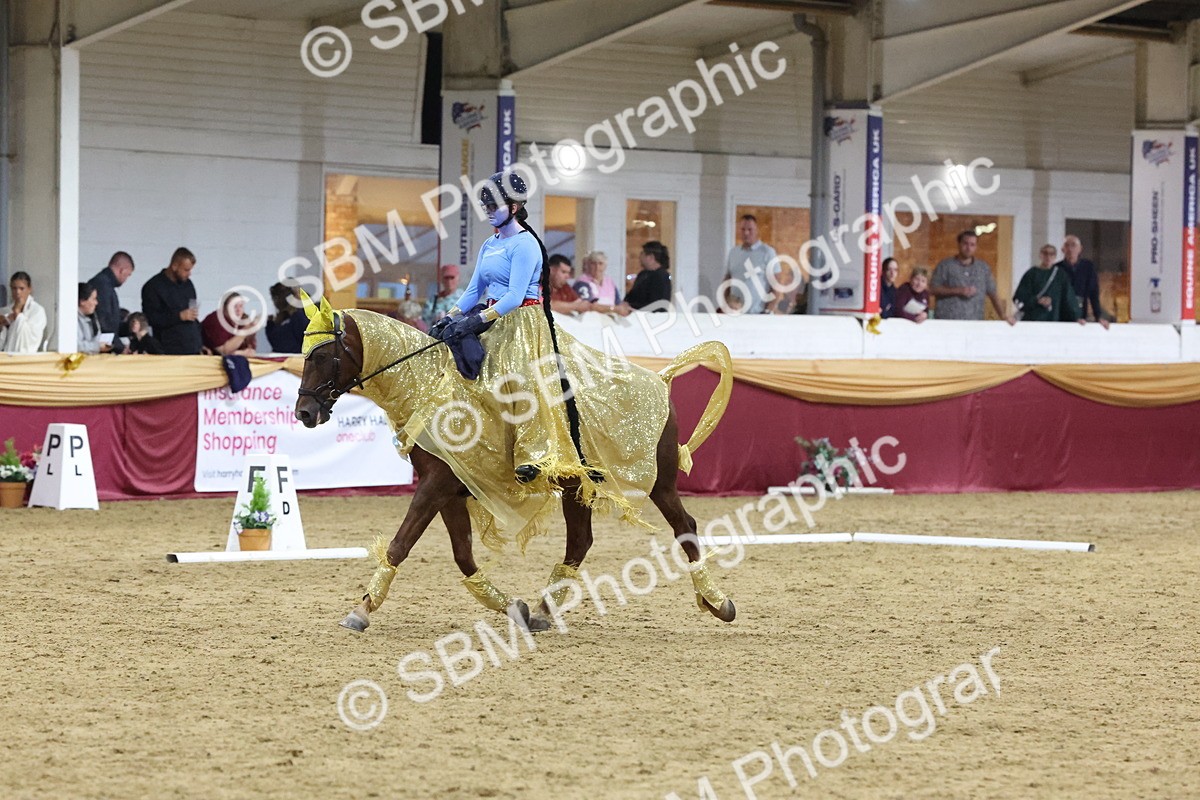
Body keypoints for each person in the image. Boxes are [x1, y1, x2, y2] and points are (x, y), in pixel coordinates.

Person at [430, 171, 599, 486]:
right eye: (486, 205)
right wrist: (450, 315)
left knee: (519, 380)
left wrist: (476, 320)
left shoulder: (525, 244)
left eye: (494, 204)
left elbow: (514, 296)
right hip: (492, 317)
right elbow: (473, 290)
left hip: (522, 321)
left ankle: (532, 455)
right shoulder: (489, 244)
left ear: (516, 204)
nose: (489, 210)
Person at [930, 231, 1015, 324]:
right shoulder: (945, 265)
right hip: (947, 322)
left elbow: (993, 294)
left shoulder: (983, 268)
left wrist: (1003, 315)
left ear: (976, 247)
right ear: (959, 244)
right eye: (965, 244)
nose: (968, 248)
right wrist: (958, 290)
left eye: (972, 245)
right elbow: (932, 289)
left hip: (975, 323)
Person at [142, 247, 202, 354]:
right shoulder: (153, 287)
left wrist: (201, 343)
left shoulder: (188, 285)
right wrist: (179, 316)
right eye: (186, 270)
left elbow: (193, 317)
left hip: (192, 346)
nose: (189, 274)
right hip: (169, 349)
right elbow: (151, 318)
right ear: (174, 266)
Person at [723, 214, 781, 314]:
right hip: (735, 313)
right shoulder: (733, 252)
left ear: (756, 230)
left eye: (750, 229)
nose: (746, 233)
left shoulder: (767, 252)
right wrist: (725, 305)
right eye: (743, 229)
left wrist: (768, 310)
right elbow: (727, 281)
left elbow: (776, 285)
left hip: (758, 314)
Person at [1013, 244, 1084, 324]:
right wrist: (1037, 300)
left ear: (1055, 257)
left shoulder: (1060, 275)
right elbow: (1020, 297)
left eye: (1051, 254)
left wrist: (1077, 317)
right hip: (1032, 320)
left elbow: (1069, 298)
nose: (1048, 257)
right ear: (1040, 255)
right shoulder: (1031, 274)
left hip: (1052, 320)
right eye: (1045, 253)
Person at [1058, 235, 1112, 329]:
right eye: (1067, 245)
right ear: (1063, 249)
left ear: (1080, 249)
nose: (1070, 249)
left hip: (1082, 311)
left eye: (1073, 245)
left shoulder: (1088, 267)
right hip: (1061, 314)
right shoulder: (1057, 269)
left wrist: (1098, 316)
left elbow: (1093, 293)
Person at [88, 252, 135, 346]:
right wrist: (119, 347)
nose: (126, 279)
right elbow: (105, 322)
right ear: (122, 270)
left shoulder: (103, 284)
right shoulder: (103, 286)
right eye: (128, 275)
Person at [0, 272, 48, 353]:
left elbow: (31, 338)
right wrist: (2, 326)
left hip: (25, 358)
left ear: (29, 289)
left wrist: (18, 315)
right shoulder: (5, 311)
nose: (18, 292)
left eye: (22, 288)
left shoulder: (37, 311)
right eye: (14, 288)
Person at [573, 250, 632, 316]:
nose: (597, 267)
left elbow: (618, 302)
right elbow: (588, 306)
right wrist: (615, 309)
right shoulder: (582, 282)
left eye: (600, 263)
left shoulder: (609, 282)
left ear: (605, 266)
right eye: (593, 263)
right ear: (588, 265)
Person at [201, 292, 258, 356]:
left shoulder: (244, 320)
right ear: (224, 308)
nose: (238, 310)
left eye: (241, 306)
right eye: (234, 306)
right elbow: (223, 351)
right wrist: (244, 331)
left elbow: (251, 350)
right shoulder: (215, 320)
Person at [625, 241, 672, 311]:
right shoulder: (643, 274)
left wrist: (632, 307)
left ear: (650, 257)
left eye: (642, 254)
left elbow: (657, 304)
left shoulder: (661, 277)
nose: (640, 257)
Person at [265, 282, 307, 353]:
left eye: (277, 297)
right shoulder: (279, 319)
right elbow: (275, 342)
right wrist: (270, 324)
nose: (275, 301)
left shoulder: (299, 317)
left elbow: (300, 340)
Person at [77, 282, 113, 354]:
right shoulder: (70, 320)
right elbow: (75, 345)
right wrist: (96, 346)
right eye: (93, 299)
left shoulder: (93, 318)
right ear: (82, 301)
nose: (96, 303)